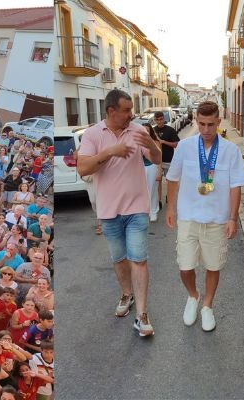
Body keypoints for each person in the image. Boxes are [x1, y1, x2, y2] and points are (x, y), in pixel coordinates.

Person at [77, 89, 161, 337]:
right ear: (111, 110)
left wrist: (153, 146)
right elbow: (82, 168)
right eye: (126, 110)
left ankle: (142, 315)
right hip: (108, 210)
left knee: (139, 258)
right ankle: (127, 294)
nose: (131, 114)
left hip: (137, 208)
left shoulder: (138, 130)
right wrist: (109, 152)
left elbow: (156, 159)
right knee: (119, 258)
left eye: (131, 110)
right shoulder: (93, 134)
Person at [165, 101, 244, 331]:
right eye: (201, 124)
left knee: (213, 266)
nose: (206, 129)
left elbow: (235, 186)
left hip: (217, 219)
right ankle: (193, 296)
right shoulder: (185, 147)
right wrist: (170, 209)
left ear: (219, 122)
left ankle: (208, 306)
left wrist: (232, 218)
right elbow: (172, 178)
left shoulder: (230, 151)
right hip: (188, 216)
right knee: (185, 265)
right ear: (195, 120)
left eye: (211, 124)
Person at [155, 110, 180, 206]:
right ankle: (158, 201)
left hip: (168, 160)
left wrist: (164, 142)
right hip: (157, 162)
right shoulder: (153, 131)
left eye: (161, 119)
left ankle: (168, 197)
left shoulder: (170, 130)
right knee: (158, 182)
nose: (159, 121)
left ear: (163, 119)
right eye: (157, 120)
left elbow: (177, 144)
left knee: (169, 180)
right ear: (155, 120)